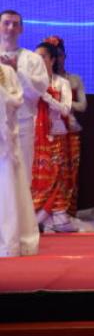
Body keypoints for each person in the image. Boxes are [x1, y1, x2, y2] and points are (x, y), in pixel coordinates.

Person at [0, 11, 49, 201]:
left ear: (21, 29)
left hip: (22, 123)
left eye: (15, 24)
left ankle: (21, 218)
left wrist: (17, 71)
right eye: (6, 23)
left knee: (22, 173)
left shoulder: (32, 59)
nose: (10, 28)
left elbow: (38, 91)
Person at [31, 39, 74, 232]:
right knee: (36, 176)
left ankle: (57, 216)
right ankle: (36, 215)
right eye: (35, 57)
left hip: (56, 133)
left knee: (57, 176)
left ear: (52, 60)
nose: (38, 61)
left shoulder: (62, 83)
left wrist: (46, 96)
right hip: (34, 135)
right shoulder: (29, 83)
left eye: (42, 57)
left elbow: (65, 109)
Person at [0, 59, 39, 256]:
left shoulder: (7, 71)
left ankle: (11, 240)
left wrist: (2, 95)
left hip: (6, 137)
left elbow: (18, 99)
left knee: (9, 185)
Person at [52, 36, 86, 216]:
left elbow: (83, 106)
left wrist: (64, 102)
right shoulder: (45, 81)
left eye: (60, 55)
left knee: (71, 173)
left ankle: (69, 213)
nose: (58, 59)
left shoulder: (74, 79)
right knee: (53, 172)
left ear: (65, 56)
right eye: (54, 56)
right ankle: (51, 212)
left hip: (71, 131)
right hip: (51, 132)